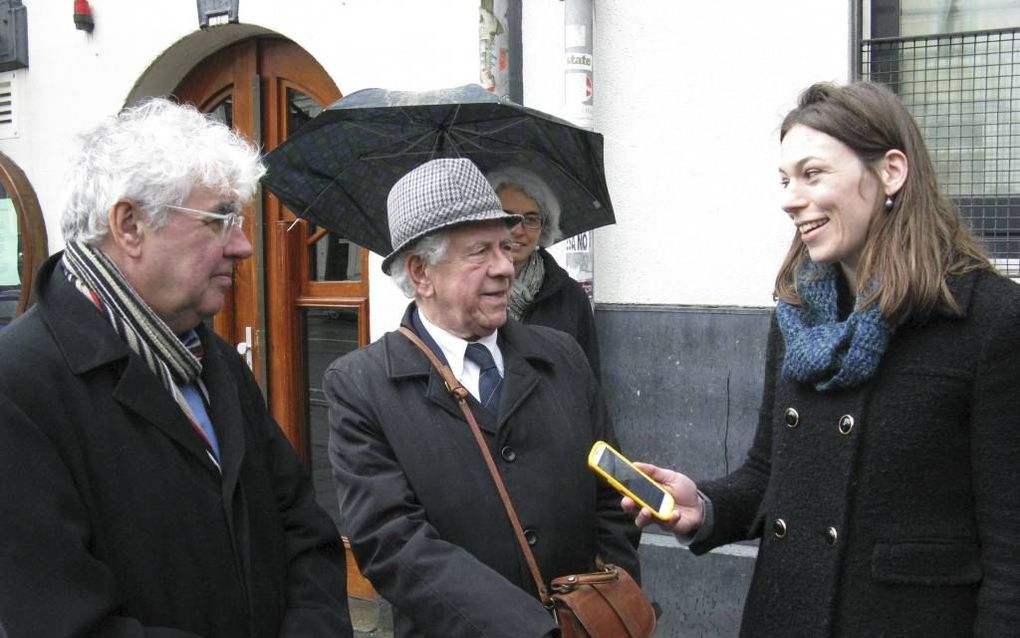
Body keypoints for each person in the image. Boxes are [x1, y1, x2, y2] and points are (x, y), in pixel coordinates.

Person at [626, 81, 1020, 636]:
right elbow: (768, 475)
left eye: (812, 175)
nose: (790, 197)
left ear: (890, 172)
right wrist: (704, 504)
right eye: (785, 180)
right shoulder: (796, 316)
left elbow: (1012, 549)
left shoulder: (988, 319)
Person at [0, 98, 353, 637]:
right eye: (219, 220)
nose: (242, 246)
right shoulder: (18, 385)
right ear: (129, 225)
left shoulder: (209, 360)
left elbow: (302, 528)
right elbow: (63, 621)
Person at [326, 157, 640, 638]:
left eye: (504, 245)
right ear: (421, 273)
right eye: (479, 252)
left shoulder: (562, 357)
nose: (504, 266)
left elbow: (612, 493)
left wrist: (611, 598)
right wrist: (531, 630)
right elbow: (392, 544)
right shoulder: (361, 385)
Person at [487, 167, 601, 377]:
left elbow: (589, 382)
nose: (519, 230)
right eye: (508, 217)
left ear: (543, 228)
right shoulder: (469, 292)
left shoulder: (571, 297)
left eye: (530, 219)